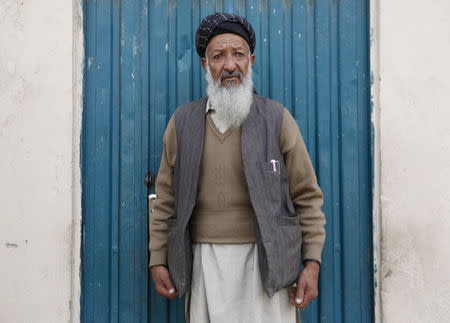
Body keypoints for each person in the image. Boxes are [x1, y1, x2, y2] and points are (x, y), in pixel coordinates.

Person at [149, 12, 326, 323]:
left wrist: (312, 261)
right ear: (205, 65)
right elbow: (165, 201)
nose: (229, 65)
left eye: (238, 54)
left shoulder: (277, 119)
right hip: (205, 263)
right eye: (218, 56)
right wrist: (157, 259)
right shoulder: (183, 123)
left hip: (269, 263)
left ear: (251, 60)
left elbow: (307, 197)